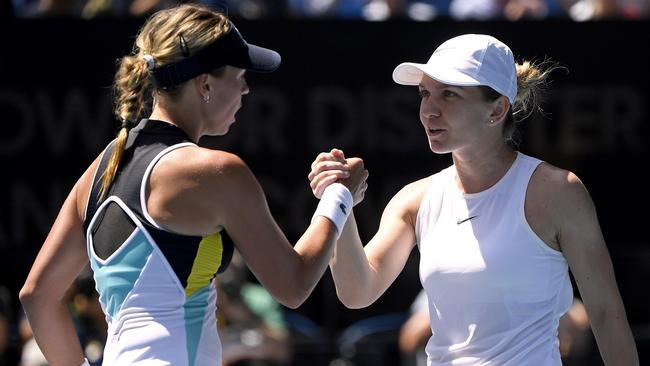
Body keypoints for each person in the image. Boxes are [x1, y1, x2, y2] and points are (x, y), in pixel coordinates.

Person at [19, 3, 367, 366]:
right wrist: (338, 196)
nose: (247, 89)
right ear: (204, 84)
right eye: (240, 75)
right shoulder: (215, 171)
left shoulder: (100, 169)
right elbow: (294, 284)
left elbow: (37, 296)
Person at [308, 34, 638, 365]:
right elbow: (356, 292)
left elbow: (606, 314)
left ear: (496, 110)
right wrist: (341, 201)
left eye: (449, 94)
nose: (429, 109)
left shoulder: (559, 191)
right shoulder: (414, 200)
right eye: (425, 93)